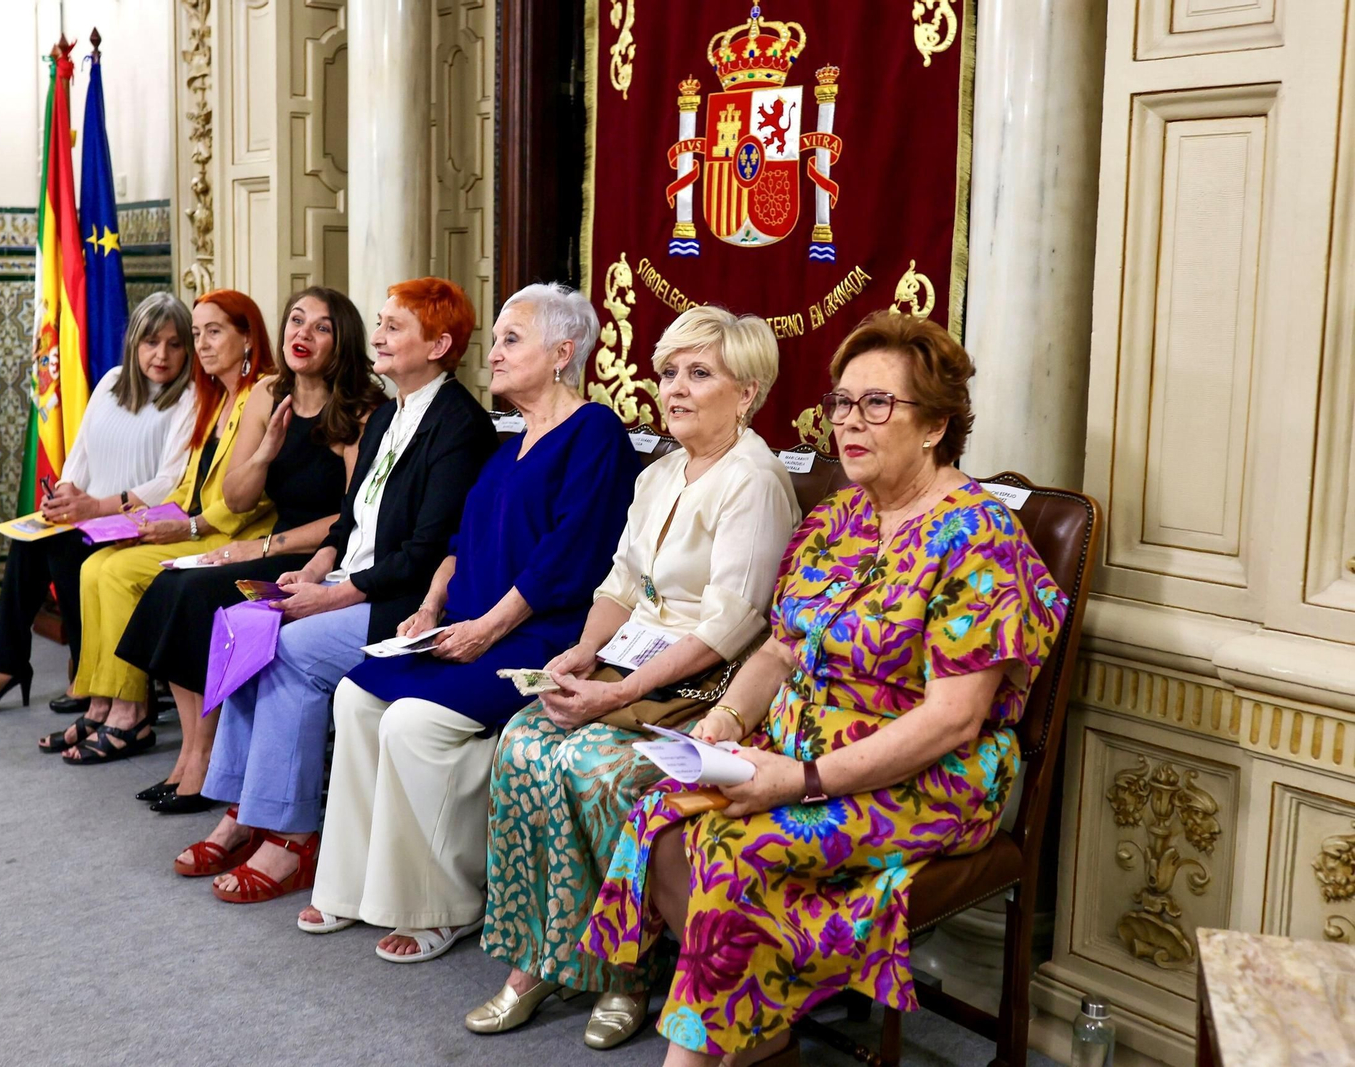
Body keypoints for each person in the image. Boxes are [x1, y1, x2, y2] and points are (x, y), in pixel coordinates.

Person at [578, 310, 1070, 1067]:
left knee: (736, 856)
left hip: (926, 774)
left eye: (878, 404)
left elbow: (952, 719)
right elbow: (779, 648)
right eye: (842, 402)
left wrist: (800, 780)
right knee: (660, 821)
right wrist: (727, 722)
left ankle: (707, 1055)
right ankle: (765, 1040)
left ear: (935, 425)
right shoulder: (839, 515)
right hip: (796, 743)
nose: (850, 421)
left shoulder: (977, 536)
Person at [468, 306, 800, 1048]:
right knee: (523, 741)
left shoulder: (755, 478)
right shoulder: (657, 476)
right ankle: (542, 957)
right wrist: (585, 654)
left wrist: (619, 692)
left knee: (597, 767)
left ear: (747, 391)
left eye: (698, 373)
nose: (674, 388)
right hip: (630, 667)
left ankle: (628, 970)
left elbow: (733, 624)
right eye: (669, 372)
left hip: (704, 687)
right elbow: (619, 584)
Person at [298, 282, 640, 963]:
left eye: (515, 338)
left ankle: (442, 902)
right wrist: (428, 609)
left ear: (562, 352)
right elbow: (457, 544)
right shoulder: (509, 437)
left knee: (411, 720)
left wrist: (486, 627)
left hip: (539, 634)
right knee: (357, 693)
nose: (498, 350)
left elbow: (565, 557)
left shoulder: (594, 431)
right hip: (463, 623)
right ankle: (355, 881)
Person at [173, 277, 499, 901]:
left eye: (394, 327)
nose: (377, 336)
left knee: (290, 649)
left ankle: (292, 838)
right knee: (244, 624)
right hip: (351, 582)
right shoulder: (387, 416)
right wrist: (316, 569)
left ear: (439, 345)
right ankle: (247, 808)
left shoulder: (459, 425)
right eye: (378, 322)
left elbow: (426, 551)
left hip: (399, 602)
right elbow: (350, 520)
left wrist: (335, 596)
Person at [114, 287, 385, 812]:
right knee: (172, 583)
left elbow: (353, 516)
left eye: (321, 327)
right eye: (296, 321)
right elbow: (237, 498)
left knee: (197, 596)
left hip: (320, 553)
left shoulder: (361, 408)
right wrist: (265, 452)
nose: (302, 335)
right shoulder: (266, 393)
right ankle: (193, 751)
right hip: (271, 542)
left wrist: (258, 547)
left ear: (342, 340)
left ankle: (204, 758)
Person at [39, 289, 275, 764]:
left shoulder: (261, 392)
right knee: (95, 566)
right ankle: (102, 703)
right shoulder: (217, 395)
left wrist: (185, 528)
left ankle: (131, 714)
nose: (201, 345)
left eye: (213, 333)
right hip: (194, 523)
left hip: (231, 536)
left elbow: (249, 498)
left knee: (117, 573)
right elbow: (186, 482)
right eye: (198, 334)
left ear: (247, 338)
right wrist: (151, 518)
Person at [0, 293, 198, 716]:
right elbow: (80, 453)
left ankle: (86, 674)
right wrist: (64, 496)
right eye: (151, 341)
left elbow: (169, 483)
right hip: (92, 515)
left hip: (138, 525)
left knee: (64, 547)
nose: (161, 354)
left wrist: (96, 508)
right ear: (134, 343)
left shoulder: (190, 396)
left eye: (175, 344)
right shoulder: (110, 382)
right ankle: (6, 663)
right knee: (32, 540)